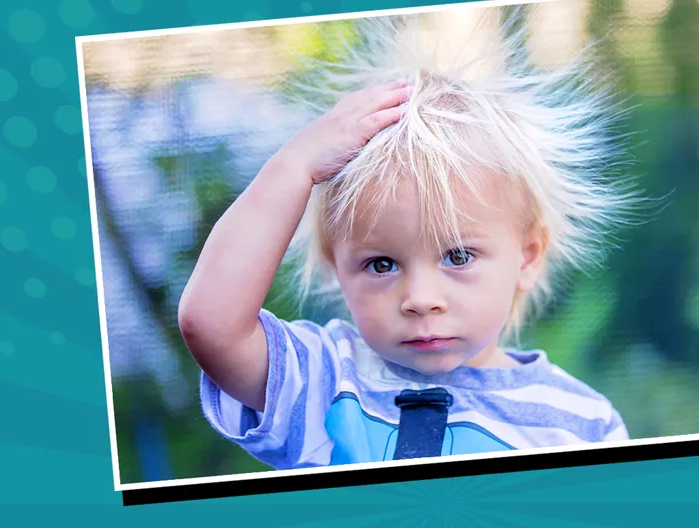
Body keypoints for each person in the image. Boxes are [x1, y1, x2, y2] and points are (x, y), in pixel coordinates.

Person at [178, 9, 642, 470]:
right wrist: (295, 165)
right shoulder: (321, 380)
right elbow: (211, 325)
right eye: (382, 264)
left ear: (528, 256)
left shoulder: (581, 425)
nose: (420, 300)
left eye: (458, 255)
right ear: (334, 265)